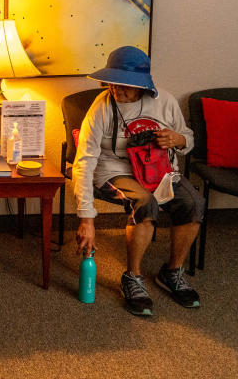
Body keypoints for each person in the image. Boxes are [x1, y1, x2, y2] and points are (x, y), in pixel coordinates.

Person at [72, 46, 203, 316]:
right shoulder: (102, 107)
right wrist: (86, 219)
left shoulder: (164, 101)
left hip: (159, 170)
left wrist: (177, 139)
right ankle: (132, 276)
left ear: (142, 84)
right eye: (112, 83)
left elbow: (187, 139)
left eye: (125, 85)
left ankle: (172, 272)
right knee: (145, 202)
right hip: (114, 169)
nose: (117, 90)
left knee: (193, 203)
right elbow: (84, 161)